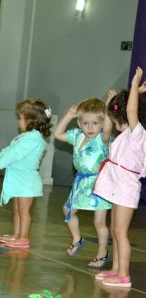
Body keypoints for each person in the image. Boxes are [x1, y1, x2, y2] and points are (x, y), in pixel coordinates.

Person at [94, 67, 146, 288]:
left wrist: (134, 85)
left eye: (114, 116)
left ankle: (124, 275)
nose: (112, 121)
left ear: (121, 115)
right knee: (115, 230)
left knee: (121, 232)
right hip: (117, 187)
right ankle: (116, 269)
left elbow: (132, 111)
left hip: (126, 189)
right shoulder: (124, 135)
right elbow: (129, 109)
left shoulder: (137, 134)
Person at [53, 97, 113, 268]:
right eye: (86, 123)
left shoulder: (103, 139)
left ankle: (102, 253)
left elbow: (108, 127)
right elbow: (57, 134)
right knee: (67, 210)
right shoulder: (77, 136)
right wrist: (69, 115)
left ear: (101, 123)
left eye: (95, 123)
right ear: (79, 123)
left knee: (99, 222)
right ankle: (77, 239)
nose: (90, 127)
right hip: (80, 183)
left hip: (99, 184)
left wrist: (108, 108)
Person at [0, 98, 52, 249]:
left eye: (20, 118)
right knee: (16, 208)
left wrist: (0, 163)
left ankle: (24, 237)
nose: (18, 122)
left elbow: (15, 154)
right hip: (19, 179)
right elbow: (11, 150)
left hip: (26, 180)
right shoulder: (25, 137)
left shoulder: (32, 140)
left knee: (24, 210)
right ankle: (16, 234)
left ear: (31, 121)